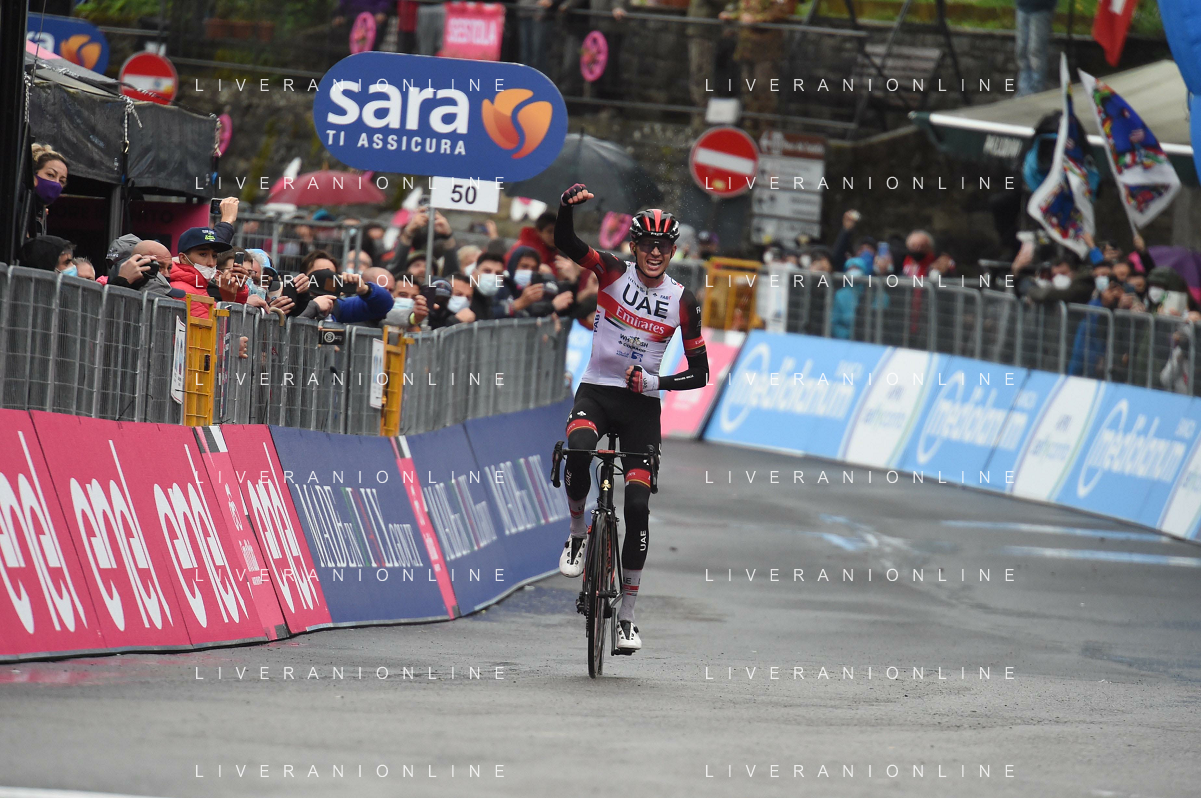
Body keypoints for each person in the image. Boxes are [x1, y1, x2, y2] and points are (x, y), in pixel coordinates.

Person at [555, 184, 709, 652]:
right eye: (647, 244)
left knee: (638, 506)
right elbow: (567, 244)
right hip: (598, 391)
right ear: (634, 246)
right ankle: (577, 534)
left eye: (663, 246)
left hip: (642, 405)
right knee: (579, 449)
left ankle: (626, 618)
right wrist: (565, 210)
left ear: (673, 251)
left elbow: (701, 372)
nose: (655, 252)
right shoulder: (611, 272)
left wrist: (656, 382)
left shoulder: (682, 300)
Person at [26, 144, 68, 240]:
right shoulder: (14, 208)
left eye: (61, 181)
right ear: (33, 175)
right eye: (50, 175)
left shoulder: (40, 217)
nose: (56, 183)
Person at [1015, 0, 1057, 97]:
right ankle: (1023, 89)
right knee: (1021, 50)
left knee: (1036, 50)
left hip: (1041, 8)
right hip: (1022, 6)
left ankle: (1036, 90)